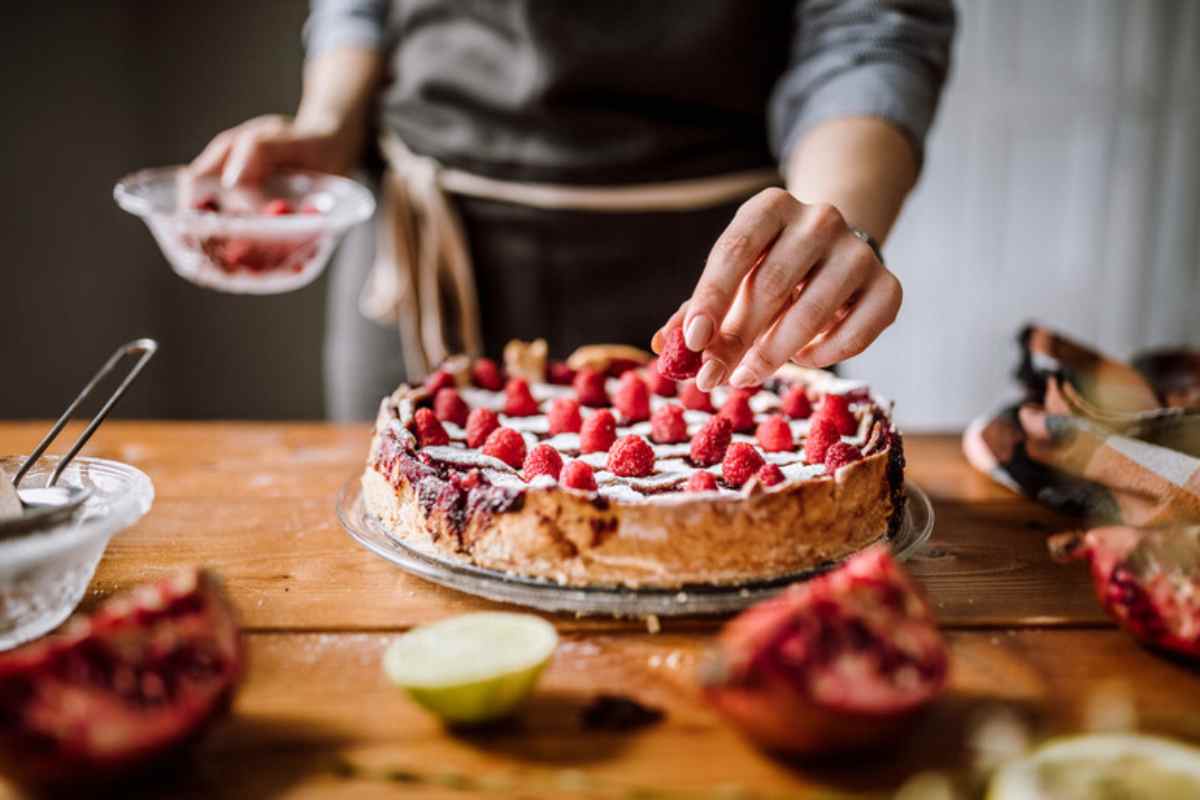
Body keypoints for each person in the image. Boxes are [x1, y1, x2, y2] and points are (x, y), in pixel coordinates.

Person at [192, 1, 955, 420]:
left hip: (725, 274)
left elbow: (869, 24)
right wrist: (328, 121)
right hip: (428, 252)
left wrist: (831, 214)